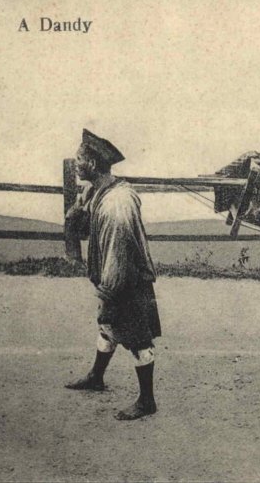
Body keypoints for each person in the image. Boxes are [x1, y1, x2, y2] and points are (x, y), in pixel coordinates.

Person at [64, 128, 162, 420]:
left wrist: (108, 292)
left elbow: (118, 256)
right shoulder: (97, 190)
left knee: (137, 340)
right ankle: (97, 376)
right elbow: (87, 230)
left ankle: (147, 401)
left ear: (92, 165)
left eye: (79, 160)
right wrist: (77, 215)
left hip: (126, 281)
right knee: (107, 326)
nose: (76, 164)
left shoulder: (117, 204)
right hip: (113, 275)